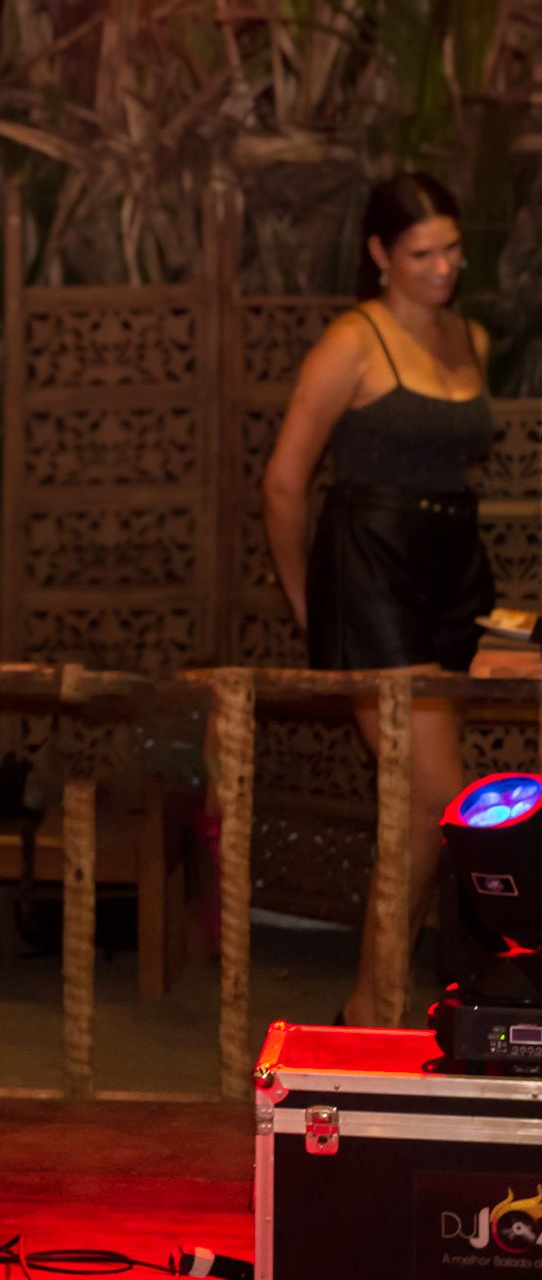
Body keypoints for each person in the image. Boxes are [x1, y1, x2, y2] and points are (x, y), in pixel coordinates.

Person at [262, 172, 494, 1028]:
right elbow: (285, 484)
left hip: (453, 573)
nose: (443, 267)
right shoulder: (352, 341)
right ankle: (373, 1003)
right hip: (369, 567)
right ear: (380, 255)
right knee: (437, 793)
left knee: (433, 805)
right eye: (422, 253)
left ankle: (410, 992)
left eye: (453, 250)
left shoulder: (470, 336)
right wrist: (310, 607)